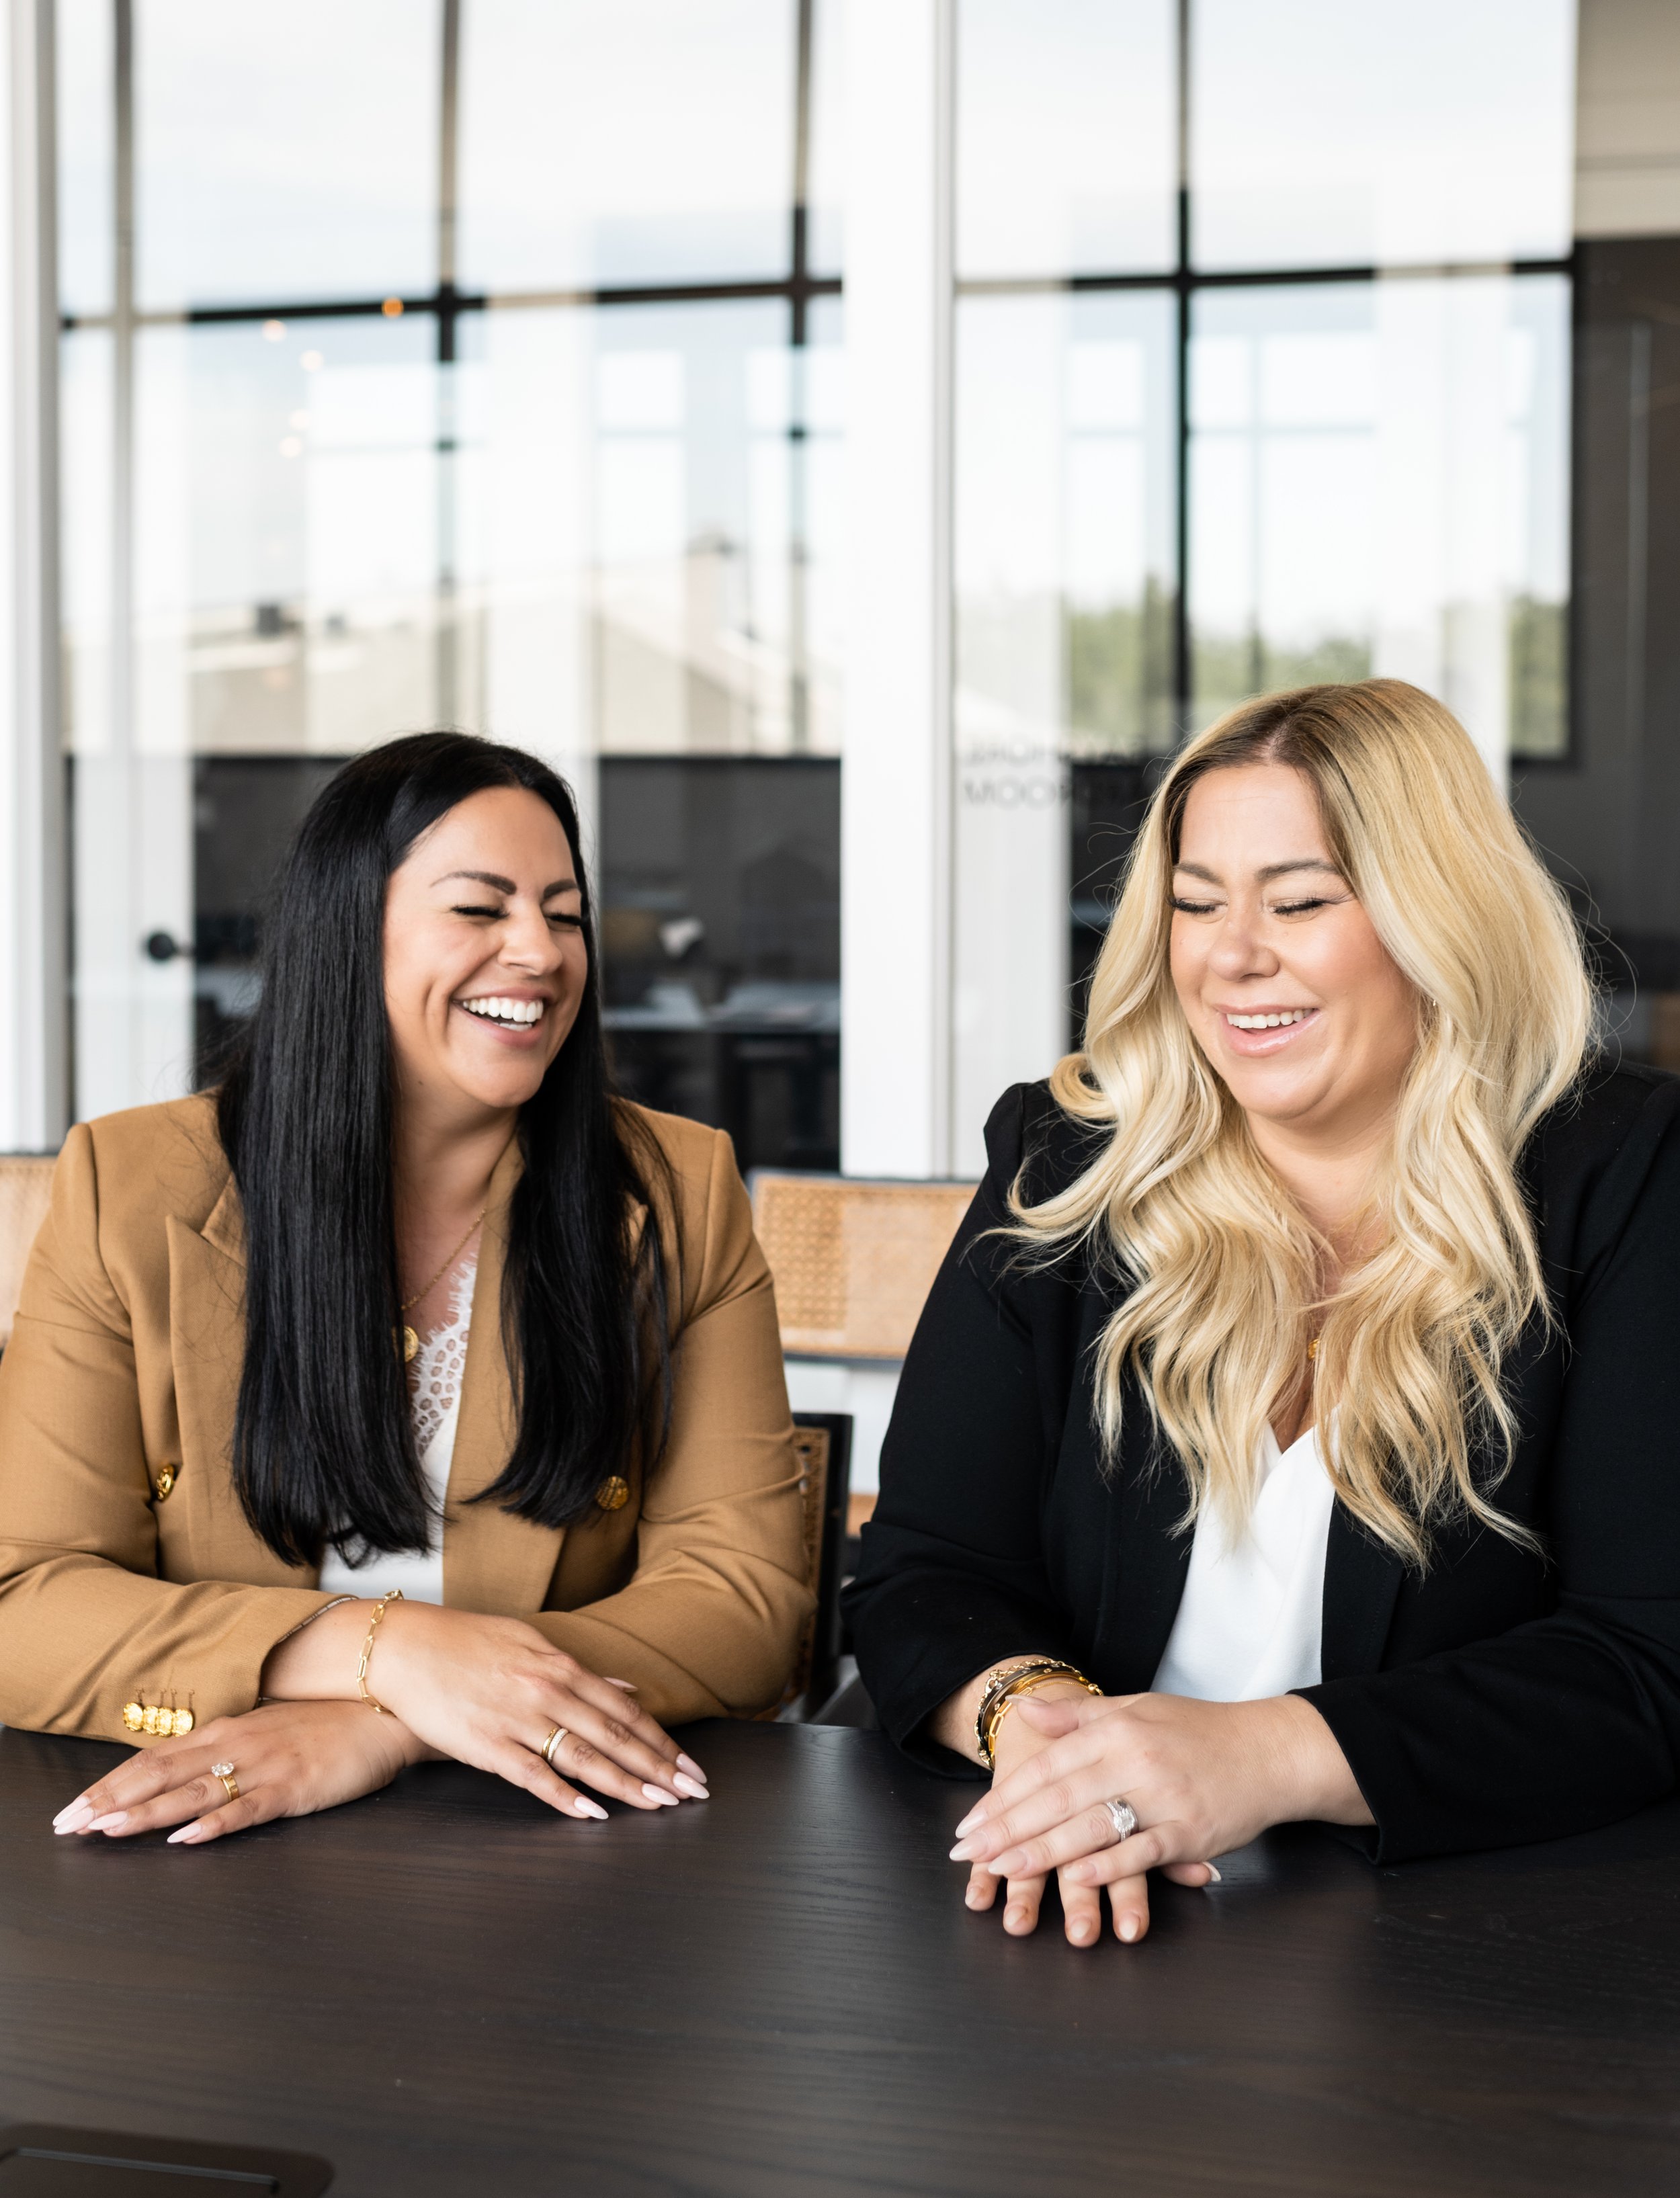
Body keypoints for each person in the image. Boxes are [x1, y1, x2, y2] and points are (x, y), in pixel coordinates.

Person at [844, 679, 1680, 1950]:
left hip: (1466, 1948)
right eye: (1194, 903)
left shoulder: (1620, 1182)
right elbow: (926, 1569)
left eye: (1300, 901)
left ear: (1434, 920)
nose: (1232, 956)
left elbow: (1643, 1661)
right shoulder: (1068, 1166)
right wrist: (1043, 1725)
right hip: (1068, 1897)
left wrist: (1261, 1758)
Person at [0, 732, 811, 1845]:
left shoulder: (677, 1190)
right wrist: (384, 1649)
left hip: (549, 1843)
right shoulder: (128, 1187)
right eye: (480, 910)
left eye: (564, 914)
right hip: (201, 1846)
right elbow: (25, 1598)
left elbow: (747, 1601)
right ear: (347, 936)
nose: (541, 951)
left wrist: (395, 1724)